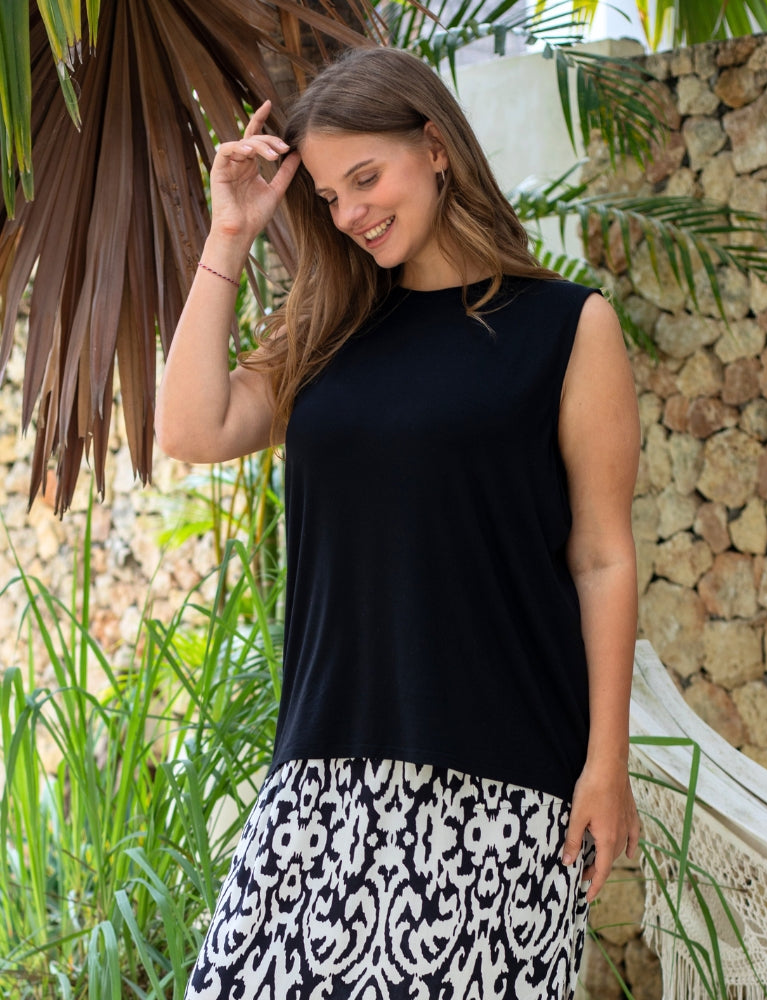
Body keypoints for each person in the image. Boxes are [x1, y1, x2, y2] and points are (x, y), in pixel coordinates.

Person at [155, 45, 641, 1000]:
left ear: (436, 146)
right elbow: (192, 427)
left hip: (504, 785)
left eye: (366, 177)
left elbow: (601, 558)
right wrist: (229, 235)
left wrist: (606, 766)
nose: (351, 214)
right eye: (331, 197)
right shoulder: (329, 329)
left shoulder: (568, 328)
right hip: (322, 774)